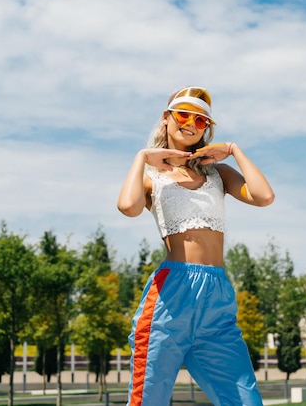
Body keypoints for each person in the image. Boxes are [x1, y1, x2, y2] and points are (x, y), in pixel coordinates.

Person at [117, 86, 275, 406]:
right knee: (148, 398)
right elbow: (128, 207)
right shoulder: (152, 177)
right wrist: (142, 157)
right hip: (171, 295)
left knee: (245, 400)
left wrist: (233, 149)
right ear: (167, 118)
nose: (191, 123)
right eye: (184, 114)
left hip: (216, 296)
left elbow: (264, 196)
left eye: (201, 120)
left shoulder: (219, 174)